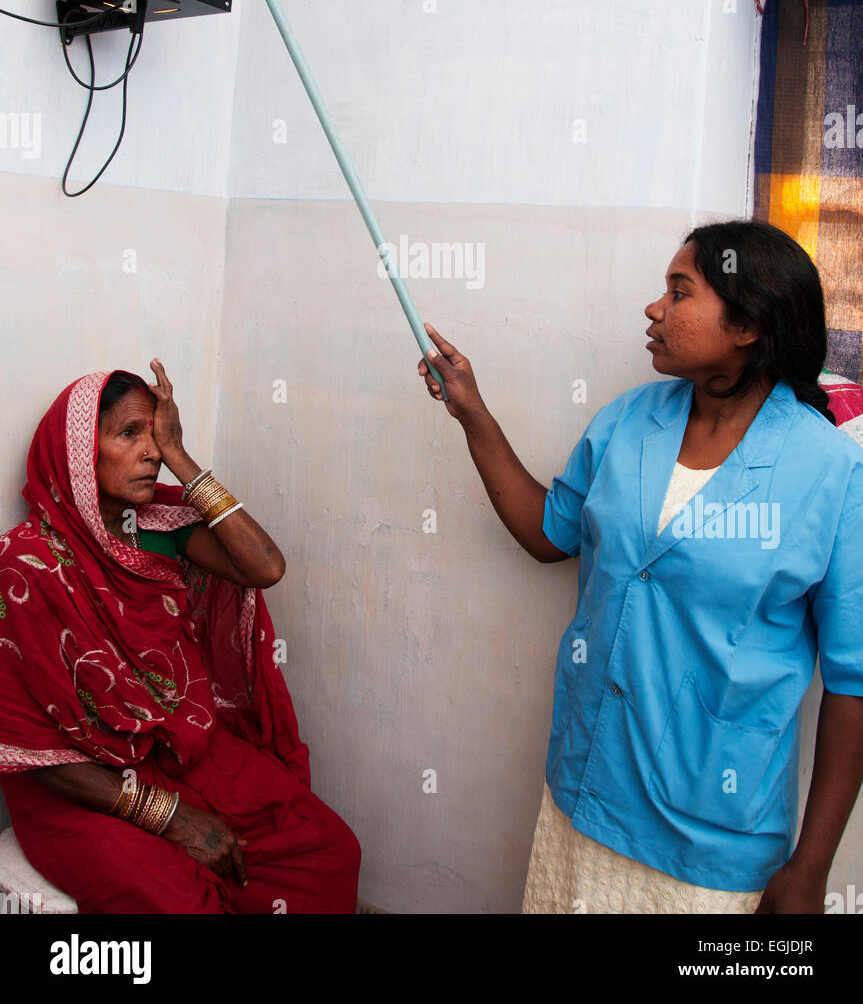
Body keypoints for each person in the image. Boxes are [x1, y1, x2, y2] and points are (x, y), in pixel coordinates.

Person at [417, 219, 863, 914]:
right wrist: (473, 413)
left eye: (679, 292)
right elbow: (549, 533)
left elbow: (853, 684)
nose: (655, 308)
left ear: (748, 325)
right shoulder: (628, 422)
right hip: (586, 787)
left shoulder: (831, 471)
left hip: (711, 837)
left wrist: (810, 869)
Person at [0, 360, 360, 914]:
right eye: (129, 433)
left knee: (328, 849)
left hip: (171, 745)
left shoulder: (158, 526)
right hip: (75, 784)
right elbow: (32, 747)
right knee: (185, 904)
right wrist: (169, 817)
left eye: (157, 435)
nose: (151, 452)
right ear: (78, 453)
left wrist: (182, 457)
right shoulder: (25, 565)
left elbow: (265, 567)